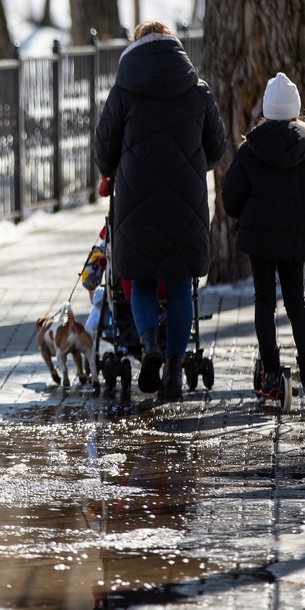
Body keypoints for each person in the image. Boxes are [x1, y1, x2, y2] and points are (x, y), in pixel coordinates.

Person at [94, 20, 226, 400]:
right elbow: (216, 149)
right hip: (186, 200)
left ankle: (149, 344)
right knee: (181, 283)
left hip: (135, 199)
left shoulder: (123, 91)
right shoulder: (198, 90)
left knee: (141, 278)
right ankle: (172, 368)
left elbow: (105, 150)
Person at [221, 73, 305, 409]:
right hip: (298, 237)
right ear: (296, 110)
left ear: (268, 110)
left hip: (260, 237)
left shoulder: (252, 146)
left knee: (264, 301)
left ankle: (270, 373)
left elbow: (231, 196)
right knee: (296, 302)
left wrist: (246, 213)